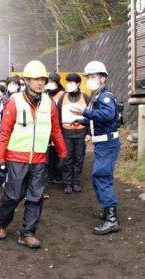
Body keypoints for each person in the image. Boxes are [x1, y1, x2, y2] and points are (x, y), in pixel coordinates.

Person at [0, 60, 67, 248]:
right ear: (26, 80)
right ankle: (1, 224)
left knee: (36, 196)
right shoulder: (14, 101)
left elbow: (56, 130)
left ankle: (27, 233)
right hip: (17, 157)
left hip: (39, 159)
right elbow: (5, 132)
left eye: (42, 79)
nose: (40, 83)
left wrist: (63, 153)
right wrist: (0, 159)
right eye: (36, 79)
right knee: (12, 195)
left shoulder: (49, 103)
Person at [71, 61, 120, 235]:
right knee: (97, 177)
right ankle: (107, 211)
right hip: (102, 143)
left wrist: (84, 112)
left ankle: (112, 219)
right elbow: (97, 118)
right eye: (88, 77)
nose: (89, 80)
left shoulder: (106, 96)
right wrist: (82, 120)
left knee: (102, 176)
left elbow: (108, 114)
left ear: (102, 78)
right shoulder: (96, 97)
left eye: (93, 77)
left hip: (107, 143)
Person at [58, 73, 90, 194]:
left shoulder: (86, 97)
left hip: (81, 132)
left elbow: (91, 116)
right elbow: (57, 115)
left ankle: (76, 182)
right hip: (66, 133)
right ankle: (67, 183)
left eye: (71, 83)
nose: (68, 85)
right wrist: (58, 134)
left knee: (79, 158)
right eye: (67, 82)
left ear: (78, 84)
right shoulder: (62, 97)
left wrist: (89, 133)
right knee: (67, 158)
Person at [44, 73, 65, 195]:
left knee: (58, 153)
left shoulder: (62, 94)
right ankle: (51, 175)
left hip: (59, 127)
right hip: (47, 128)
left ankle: (58, 175)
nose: (50, 84)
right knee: (49, 154)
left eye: (53, 81)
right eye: (49, 81)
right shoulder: (45, 95)